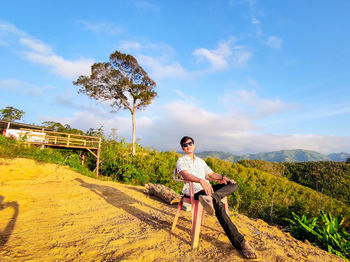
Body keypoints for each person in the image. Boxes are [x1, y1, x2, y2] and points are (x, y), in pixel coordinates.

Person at [176, 136, 258, 260]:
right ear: (182, 148)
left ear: (194, 145)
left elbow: (212, 174)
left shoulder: (200, 161)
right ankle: (241, 243)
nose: (188, 146)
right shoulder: (181, 160)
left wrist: (223, 178)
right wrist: (200, 181)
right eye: (185, 145)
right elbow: (185, 174)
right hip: (194, 191)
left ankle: (211, 198)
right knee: (218, 204)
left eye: (190, 143)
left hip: (207, 190)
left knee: (233, 184)